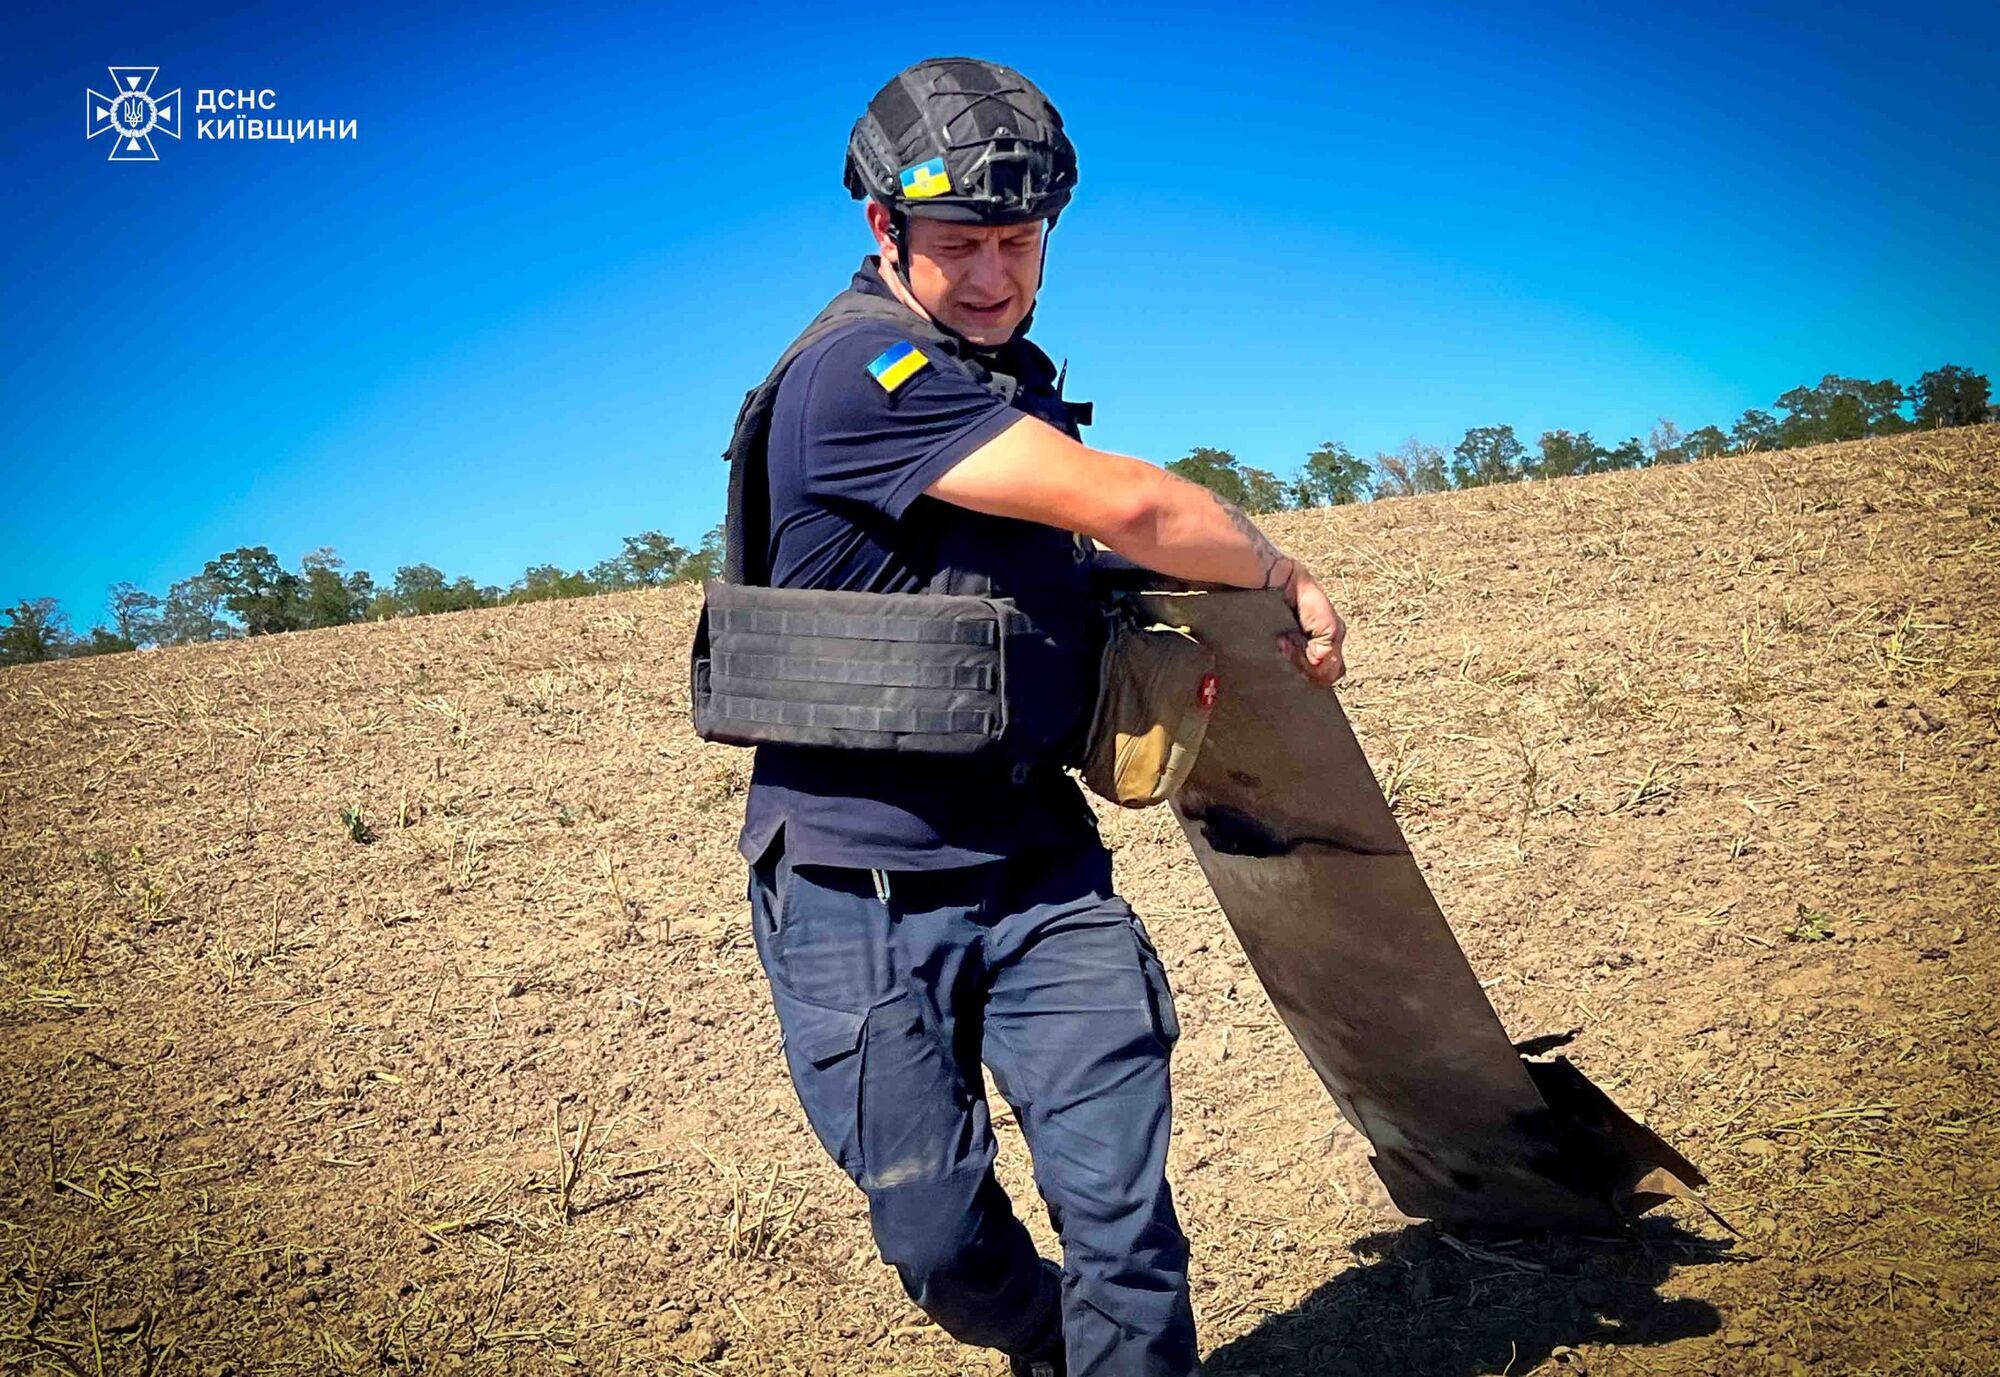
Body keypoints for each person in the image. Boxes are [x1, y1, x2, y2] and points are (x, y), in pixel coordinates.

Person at [730, 57, 1346, 1377]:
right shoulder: (860, 375)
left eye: (1022, 239)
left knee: (1126, 1221)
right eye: (962, 243)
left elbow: (1091, 550)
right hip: (855, 883)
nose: (998, 272)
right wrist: (1278, 565)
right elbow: (1122, 503)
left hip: (1042, 874)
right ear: (883, 229)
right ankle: (1054, 1342)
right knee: (939, 1239)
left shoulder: (1006, 385)